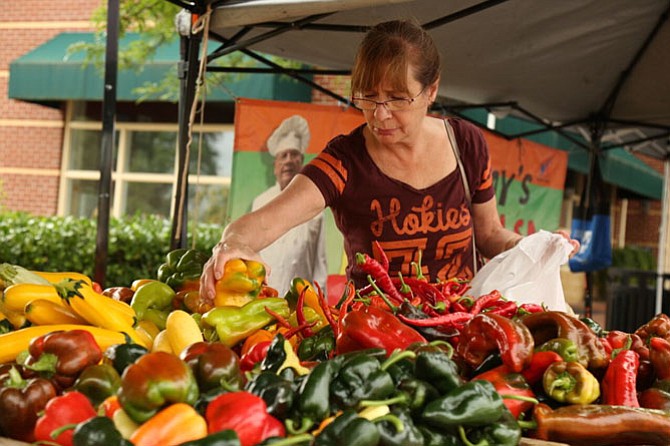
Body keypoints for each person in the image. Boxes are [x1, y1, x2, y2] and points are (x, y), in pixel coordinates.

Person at [200, 19, 579, 301]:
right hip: (375, 339)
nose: (380, 114)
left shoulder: (466, 143)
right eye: (368, 96)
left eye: (398, 98)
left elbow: (490, 235)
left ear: (431, 90)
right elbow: (262, 223)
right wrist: (232, 245)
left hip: (463, 331)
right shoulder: (345, 161)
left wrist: (537, 247)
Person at [250, 115, 328, 296]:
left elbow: (320, 263)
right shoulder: (261, 202)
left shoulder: (315, 205)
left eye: (294, 155)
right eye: (283, 156)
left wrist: (320, 302)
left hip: (300, 298)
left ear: (301, 163)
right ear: (275, 166)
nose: (288, 161)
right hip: (266, 295)